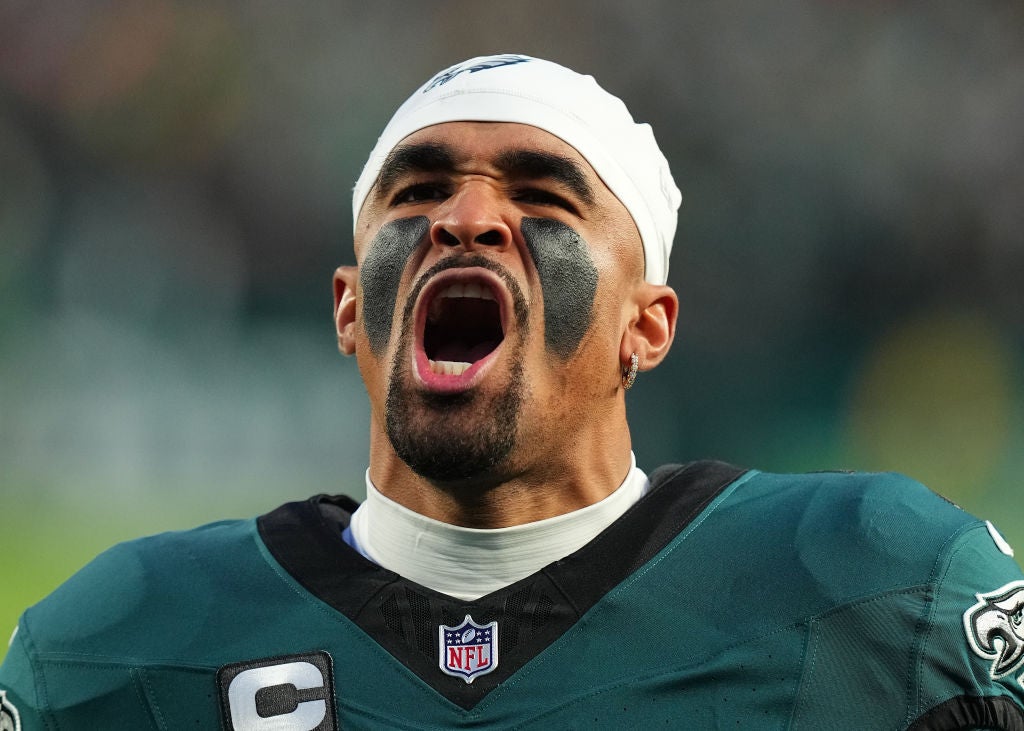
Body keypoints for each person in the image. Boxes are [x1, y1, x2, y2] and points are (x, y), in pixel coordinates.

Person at [1, 53, 1022, 730]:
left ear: (646, 325)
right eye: (417, 190)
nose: (467, 216)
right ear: (352, 309)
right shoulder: (118, 645)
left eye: (542, 194)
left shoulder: (880, 590)